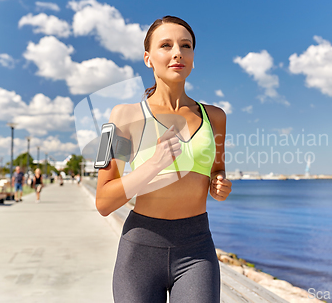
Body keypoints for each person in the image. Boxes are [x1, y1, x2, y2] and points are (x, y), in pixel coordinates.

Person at [96, 15, 232, 303]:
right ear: (148, 58)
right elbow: (104, 201)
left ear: (193, 57)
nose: (177, 53)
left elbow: (217, 170)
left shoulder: (215, 117)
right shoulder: (122, 117)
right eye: (166, 45)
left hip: (197, 251)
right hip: (140, 251)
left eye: (185, 46)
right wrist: (154, 165)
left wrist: (219, 185)